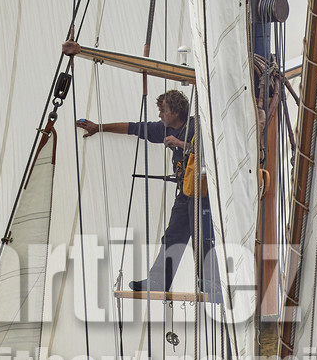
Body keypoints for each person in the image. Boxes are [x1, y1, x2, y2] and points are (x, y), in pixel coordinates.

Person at [76, 88, 215, 293]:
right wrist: (100, 127)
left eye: (163, 110)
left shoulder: (197, 127)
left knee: (201, 237)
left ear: (175, 112)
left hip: (203, 195)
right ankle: (158, 281)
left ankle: (211, 283)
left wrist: (181, 144)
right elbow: (134, 128)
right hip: (185, 194)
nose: (159, 115)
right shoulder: (164, 129)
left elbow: (210, 151)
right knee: (172, 237)